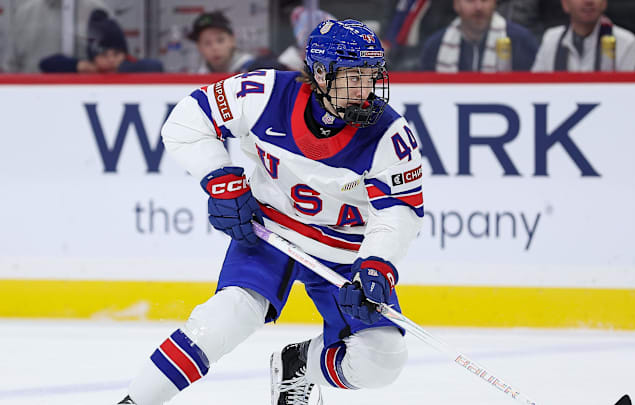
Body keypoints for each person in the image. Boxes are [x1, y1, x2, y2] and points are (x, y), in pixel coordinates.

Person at [116, 19, 423, 405]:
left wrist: (377, 264)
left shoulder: (390, 136)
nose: (365, 90)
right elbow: (186, 122)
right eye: (354, 77)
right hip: (270, 233)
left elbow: (398, 210)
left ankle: (299, 364)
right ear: (322, 73)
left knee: (382, 360)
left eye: (372, 76)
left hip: (344, 254)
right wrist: (220, 178)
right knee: (224, 319)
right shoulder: (263, 94)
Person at [419, 0, 539, 72]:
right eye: (470, 0)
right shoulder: (436, 46)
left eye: (484, 0)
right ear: (456, 4)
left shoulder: (521, 41)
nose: (478, 7)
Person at [532, 0, 635, 72]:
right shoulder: (551, 40)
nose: (588, 1)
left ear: (604, 3)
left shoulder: (628, 44)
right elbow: (536, 91)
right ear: (565, 4)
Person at [2, 0, 111, 73]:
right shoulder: (24, 14)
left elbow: (117, 66)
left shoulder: (99, 11)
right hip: (33, 102)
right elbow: (9, 69)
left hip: (88, 101)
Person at [39, 10, 162, 73]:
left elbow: (156, 66)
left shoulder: (132, 65)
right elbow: (46, 64)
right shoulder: (89, 69)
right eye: (104, 55)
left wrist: (122, 68)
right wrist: (80, 66)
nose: (111, 59)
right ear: (94, 56)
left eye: (116, 54)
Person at [187, 11, 254, 74]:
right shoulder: (197, 76)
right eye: (207, 43)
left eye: (220, 40)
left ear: (232, 40)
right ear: (199, 47)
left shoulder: (253, 70)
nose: (215, 48)